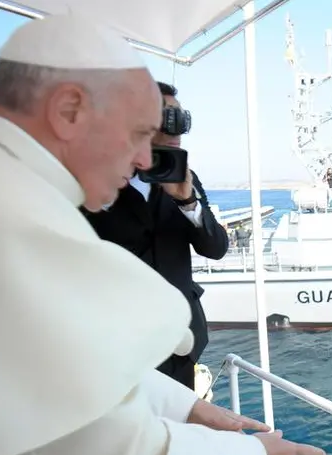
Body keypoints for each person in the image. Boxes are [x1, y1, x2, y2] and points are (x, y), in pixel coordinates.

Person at [0, 14, 325, 455]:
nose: (147, 161)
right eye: (137, 133)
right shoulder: (0, 221)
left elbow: (73, 366)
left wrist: (188, 407)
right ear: (68, 111)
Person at [82, 81, 228, 390]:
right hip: (121, 348)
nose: (176, 131)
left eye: (181, 119)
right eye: (165, 119)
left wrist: (188, 202)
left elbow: (215, 248)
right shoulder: (93, 181)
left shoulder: (186, 177)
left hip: (181, 344)